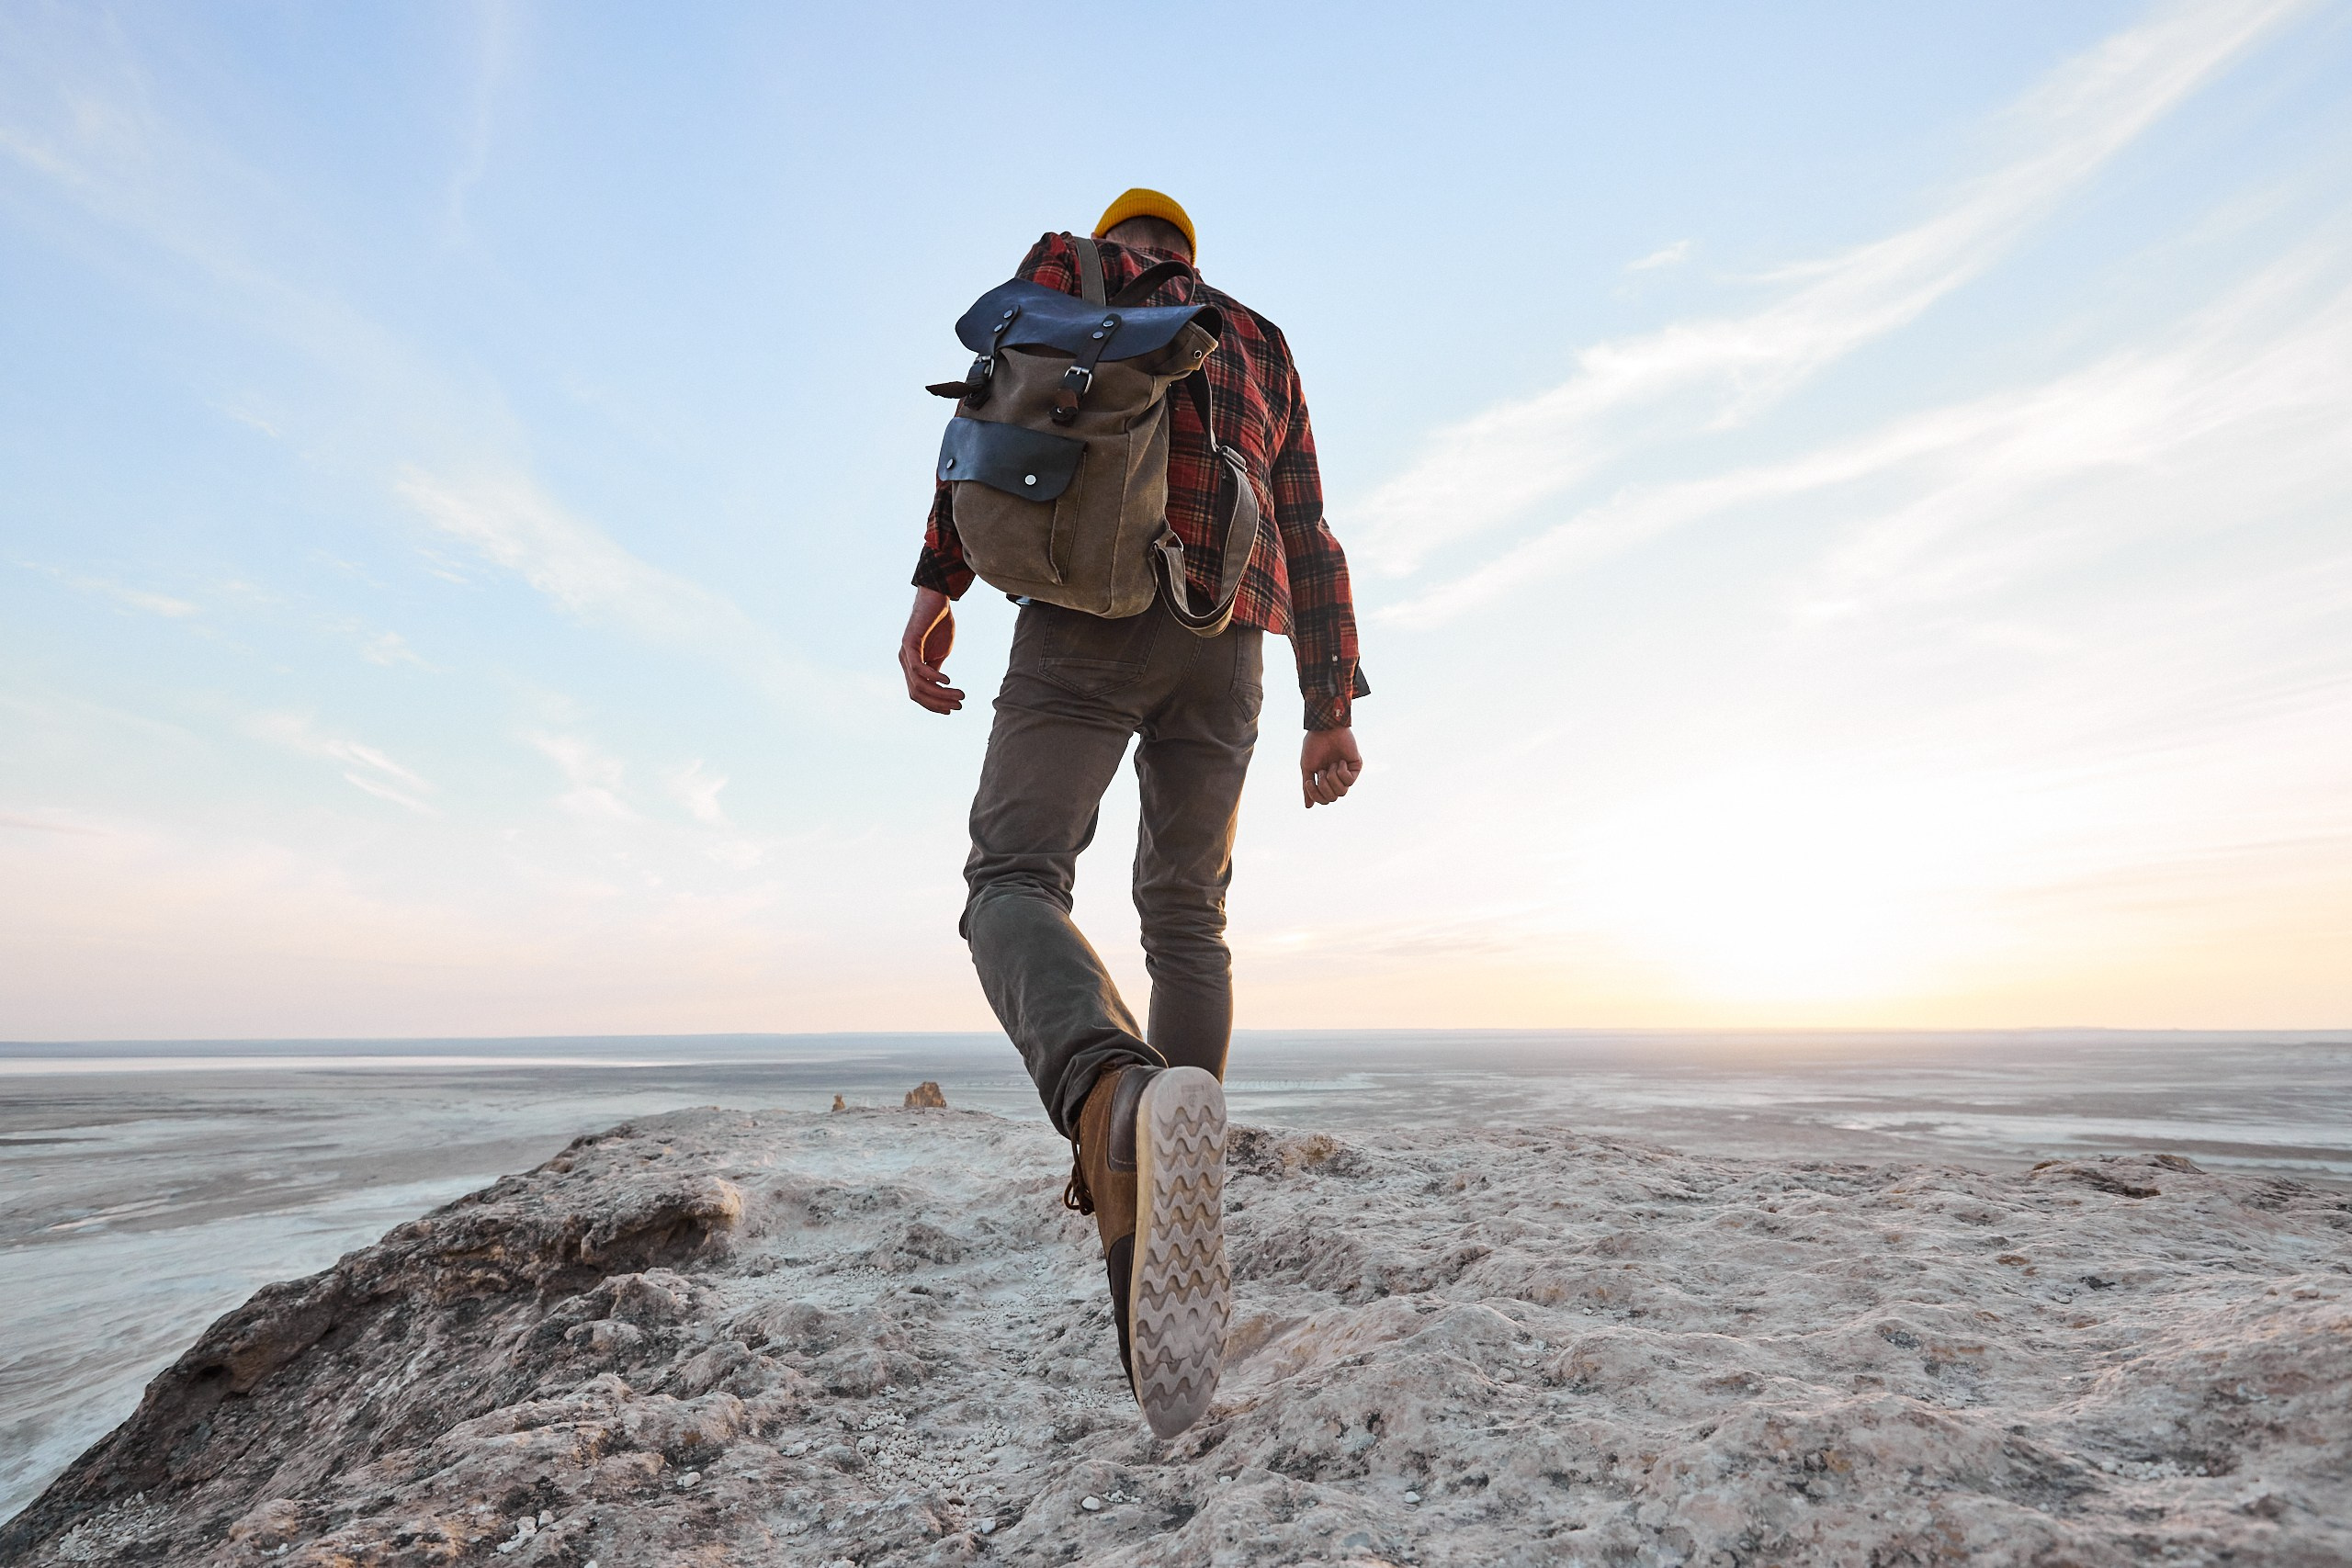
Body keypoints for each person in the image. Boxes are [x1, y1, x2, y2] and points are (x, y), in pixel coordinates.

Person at [896, 188, 1368, 1435]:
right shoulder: (1260, 337)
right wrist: (1334, 705)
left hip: (1091, 612)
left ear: (1121, 241)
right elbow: (1311, 527)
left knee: (1011, 879)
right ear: (1194, 252)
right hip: (1234, 635)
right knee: (1186, 918)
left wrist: (937, 586)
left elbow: (993, 426)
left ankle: (1110, 1099)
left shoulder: (1073, 268)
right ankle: (1175, 1194)